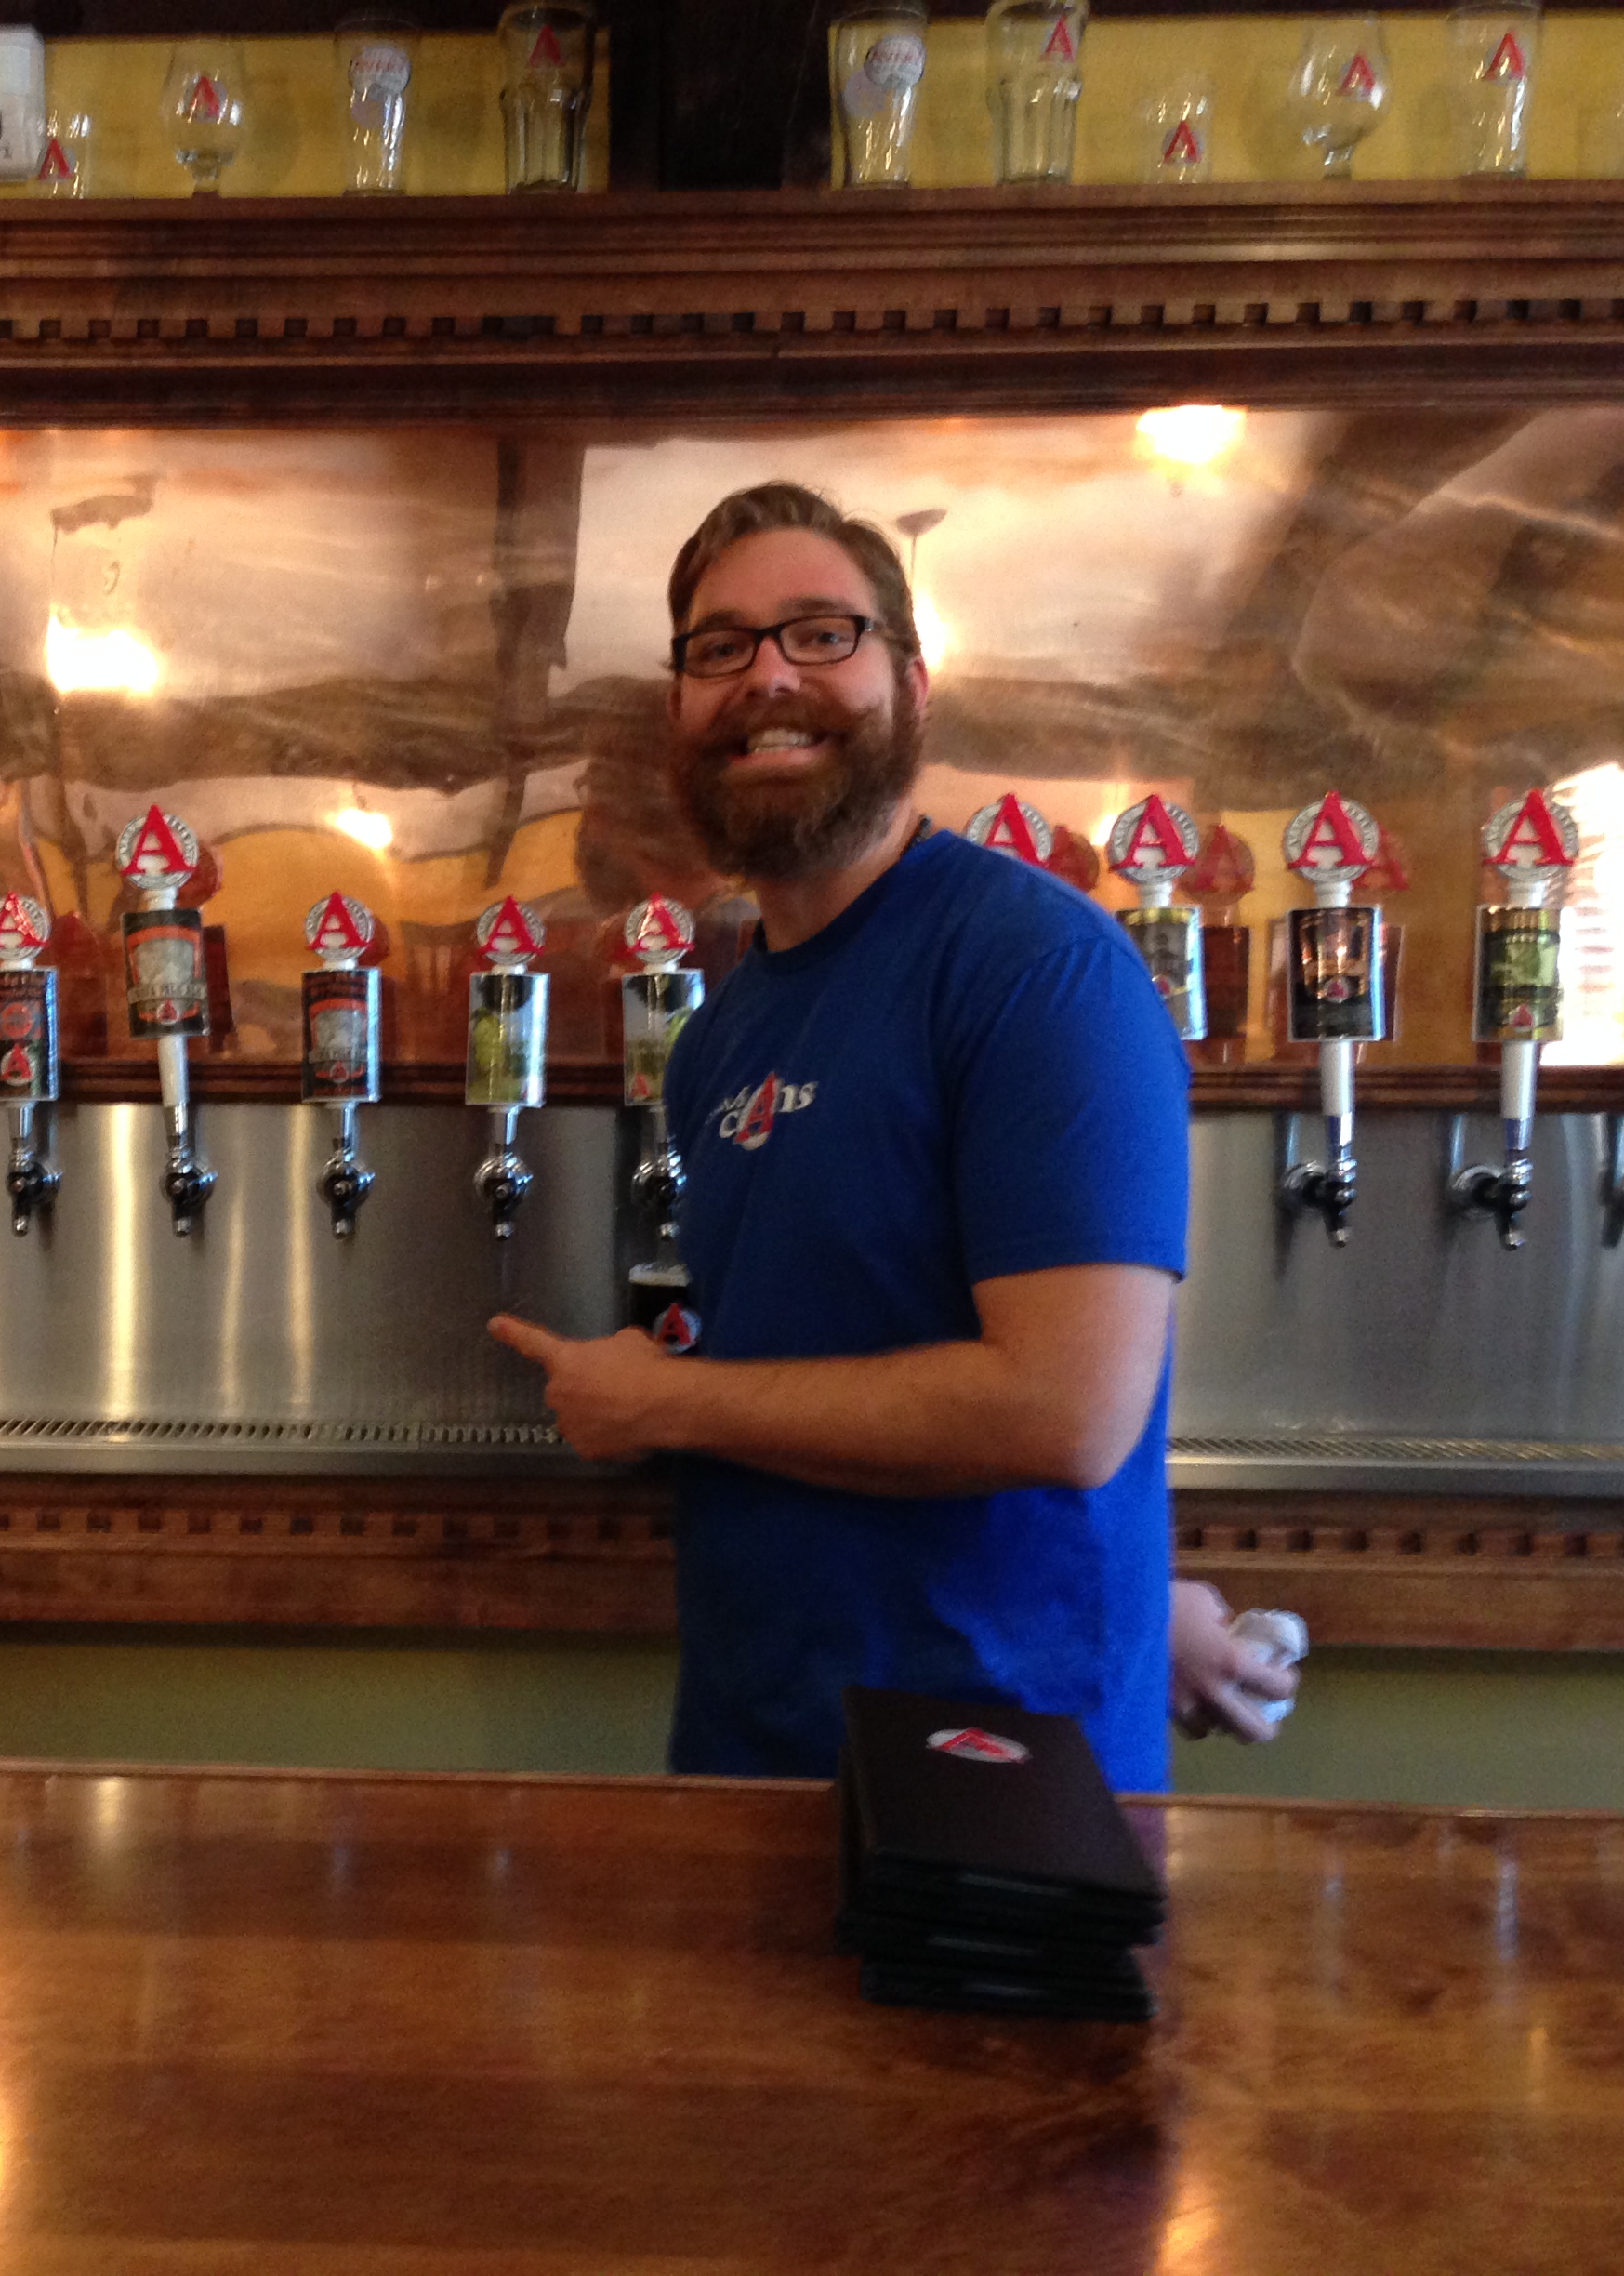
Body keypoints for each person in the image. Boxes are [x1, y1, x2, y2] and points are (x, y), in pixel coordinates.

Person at [489, 481, 1293, 1790]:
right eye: (720, 647)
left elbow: (1064, 1410)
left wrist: (667, 1401)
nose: (768, 677)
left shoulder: (1038, 968)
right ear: (681, 711)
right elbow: (832, 1350)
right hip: (757, 1735)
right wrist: (1152, 1594)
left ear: (911, 688)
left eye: (822, 634)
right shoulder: (720, 1037)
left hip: (997, 1767)